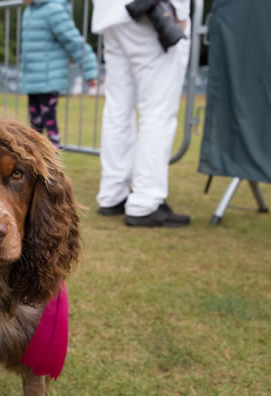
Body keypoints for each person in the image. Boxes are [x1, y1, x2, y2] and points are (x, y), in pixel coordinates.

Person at [92, 0, 191, 227]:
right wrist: (180, 9)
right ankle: (145, 201)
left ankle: (112, 193)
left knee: (117, 109)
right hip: (150, 13)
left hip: (111, 14)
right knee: (157, 110)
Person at [19, 0, 98, 148]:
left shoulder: (53, 11)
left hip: (49, 81)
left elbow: (74, 42)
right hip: (33, 81)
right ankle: (34, 163)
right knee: (33, 128)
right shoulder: (29, 12)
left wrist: (90, 68)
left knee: (50, 124)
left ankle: (53, 163)